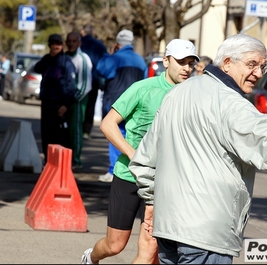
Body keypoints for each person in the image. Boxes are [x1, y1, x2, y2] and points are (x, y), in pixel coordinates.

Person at [128, 34, 267, 264]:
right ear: (227, 63)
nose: (259, 73)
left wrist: (152, 202)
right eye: (251, 64)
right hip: (205, 235)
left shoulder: (178, 92)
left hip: (168, 228)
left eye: (263, 66)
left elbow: (144, 160)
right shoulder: (229, 103)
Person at [80, 39, 199, 264]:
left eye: (190, 63)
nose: (186, 68)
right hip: (129, 175)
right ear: (166, 61)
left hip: (164, 182)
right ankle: (91, 257)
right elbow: (108, 124)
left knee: (152, 248)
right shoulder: (143, 88)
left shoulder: (192, 96)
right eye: (181, 62)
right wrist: (134, 155)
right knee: (114, 245)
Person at [95, 29, 147, 183]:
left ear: (117, 44)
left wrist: (109, 54)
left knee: (115, 137)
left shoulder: (114, 58)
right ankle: (131, 169)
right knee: (131, 138)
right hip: (136, 107)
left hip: (115, 105)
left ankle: (113, 171)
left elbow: (100, 70)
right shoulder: (140, 61)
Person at [34, 33, 80, 163]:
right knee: (46, 134)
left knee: (59, 136)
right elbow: (37, 68)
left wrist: (65, 104)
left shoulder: (66, 62)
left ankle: (59, 162)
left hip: (59, 105)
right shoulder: (46, 60)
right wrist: (48, 58)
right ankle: (47, 160)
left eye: (58, 44)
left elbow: (71, 86)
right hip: (47, 103)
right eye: (53, 44)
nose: (55, 47)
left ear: (62, 45)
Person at [65, 31, 93, 171]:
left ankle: (76, 159)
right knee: (64, 131)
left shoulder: (83, 59)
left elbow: (86, 84)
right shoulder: (64, 57)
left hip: (77, 100)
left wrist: (74, 99)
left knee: (75, 131)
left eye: (74, 41)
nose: (71, 44)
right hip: (64, 100)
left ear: (79, 43)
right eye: (68, 41)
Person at [80, 24, 108, 140]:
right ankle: (86, 131)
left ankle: (77, 128)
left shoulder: (78, 42)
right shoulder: (100, 45)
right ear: (94, 32)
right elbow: (105, 63)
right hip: (94, 80)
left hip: (79, 80)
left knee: (79, 105)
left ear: (83, 32)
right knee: (91, 105)